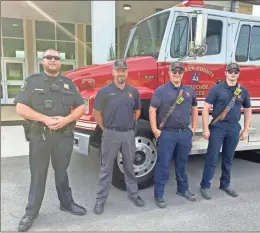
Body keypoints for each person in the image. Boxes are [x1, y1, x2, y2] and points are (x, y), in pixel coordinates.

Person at [14, 49, 87, 232]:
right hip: (40, 136)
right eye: (49, 57)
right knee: (38, 174)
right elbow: (21, 107)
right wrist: (44, 118)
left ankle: (67, 203)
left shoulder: (68, 84)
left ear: (60, 62)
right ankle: (31, 212)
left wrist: (66, 119)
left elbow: (80, 107)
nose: (53, 60)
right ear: (43, 61)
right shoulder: (32, 82)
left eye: (56, 58)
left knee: (62, 172)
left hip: (63, 137)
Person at [93, 59, 145, 215]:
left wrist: (130, 124)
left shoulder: (133, 92)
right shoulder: (104, 91)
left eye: (123, 70)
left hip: (128, 133)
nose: (120, 73)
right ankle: (101, 199)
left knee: (130, 166)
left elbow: (137, 111)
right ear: (113, 72)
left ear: (126, 72)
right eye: (118, 70)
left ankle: (133, 194)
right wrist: (106, 129)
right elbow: (97, 114)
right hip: (110, 133)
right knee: (106, 168)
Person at [149, 61, 198, 208]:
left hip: (184, 134)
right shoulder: (161, 91)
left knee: (182, 164)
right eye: (174, 71)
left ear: (183, 73)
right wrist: (155, 130)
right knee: (163, 165)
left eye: (180, 72)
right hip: (167, 134)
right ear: (169, 73)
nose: (177, 74)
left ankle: (182, 190)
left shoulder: (189, 90)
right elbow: (152, 110)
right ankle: (159, 194)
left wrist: (193, 128)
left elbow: (195, 108)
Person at [200, 62, 252, 200]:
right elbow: (205, 108)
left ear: (238, 73)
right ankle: (205, 186)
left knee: (228, 159)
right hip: (218, 127)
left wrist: (246, 129)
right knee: (212, 157)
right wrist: (205, 128)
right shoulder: (217, 89)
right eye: (230, 71)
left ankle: (225, 184)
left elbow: (247, 110)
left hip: (234, 128)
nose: (233, 73)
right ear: (225, 73)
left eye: (236, 71)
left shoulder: (243, 91)